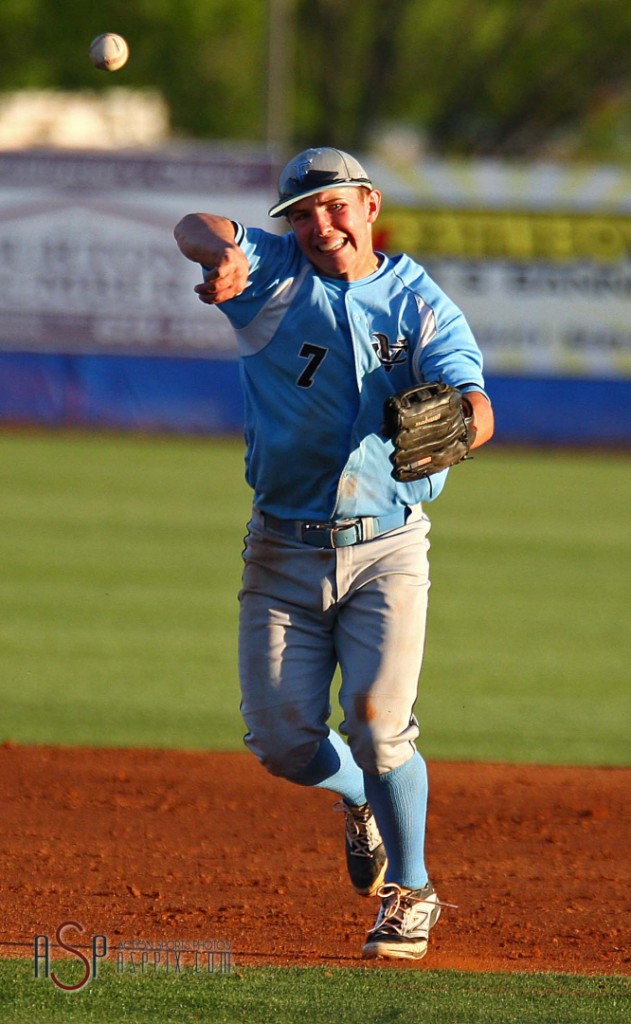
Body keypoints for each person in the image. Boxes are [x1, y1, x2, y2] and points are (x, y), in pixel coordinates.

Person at [173, 147, 494, 961]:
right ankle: (358, 801)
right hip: (281, 547)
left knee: (381, 725)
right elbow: (194, 226)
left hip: (386, 546)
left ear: (369, 204)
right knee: (282, 742)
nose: (321, 224)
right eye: (303, 213)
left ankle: (411, 893)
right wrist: (219, 258)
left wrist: (463, 425)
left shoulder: (420, 303)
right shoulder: (272, 273)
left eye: (334, 205)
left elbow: (473, 401)